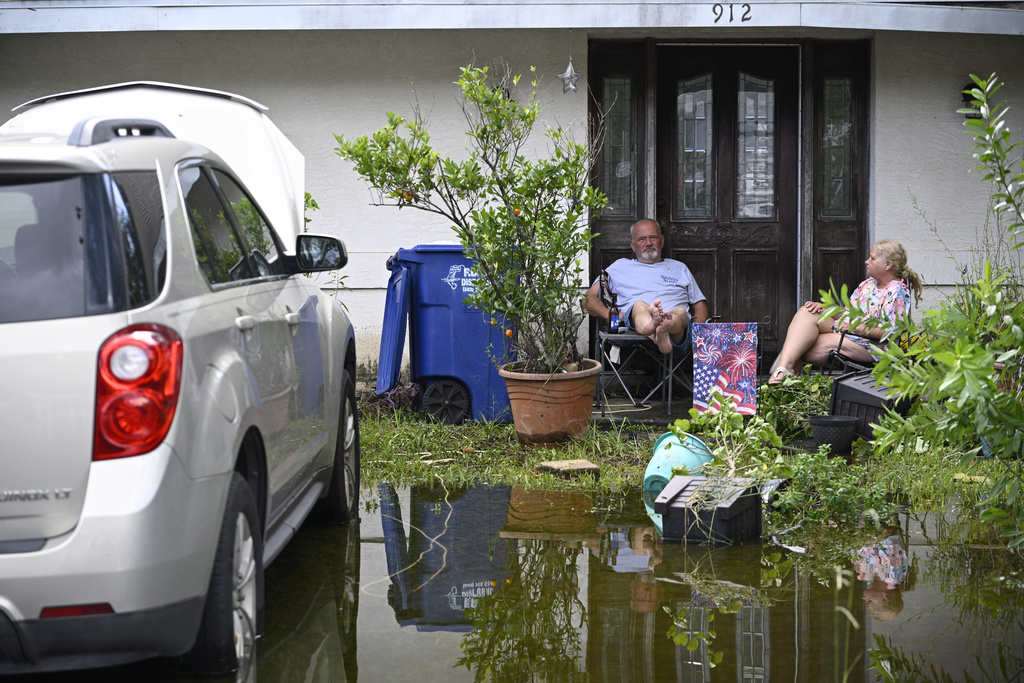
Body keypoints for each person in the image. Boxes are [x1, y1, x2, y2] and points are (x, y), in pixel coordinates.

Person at [767, 239, 923, 384]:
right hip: (850, 334)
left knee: (801, 345)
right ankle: (784, 369)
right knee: (807, 312)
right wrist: (828, 309)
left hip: (873, 346)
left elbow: (891, 332)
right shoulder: (868, 285)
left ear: (888, 264)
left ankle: (783, 374)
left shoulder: (897, 292)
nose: (866, 261)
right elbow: (849, 312)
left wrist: (856, 327)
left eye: (872, 258)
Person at [585, 219, 710, 354]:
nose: (648, 243)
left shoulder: (679, 268)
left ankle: (660, 328)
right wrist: (611, 316)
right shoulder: (619, 267)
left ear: (662, 241)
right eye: (642, 239)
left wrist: (698, 329)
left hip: (678, 331)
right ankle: (658, 332)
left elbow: (699, 306)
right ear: (633, 246)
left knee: (680, 313)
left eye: (653, 238)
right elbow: (587, 298)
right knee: (639, 306)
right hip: (634, 333)